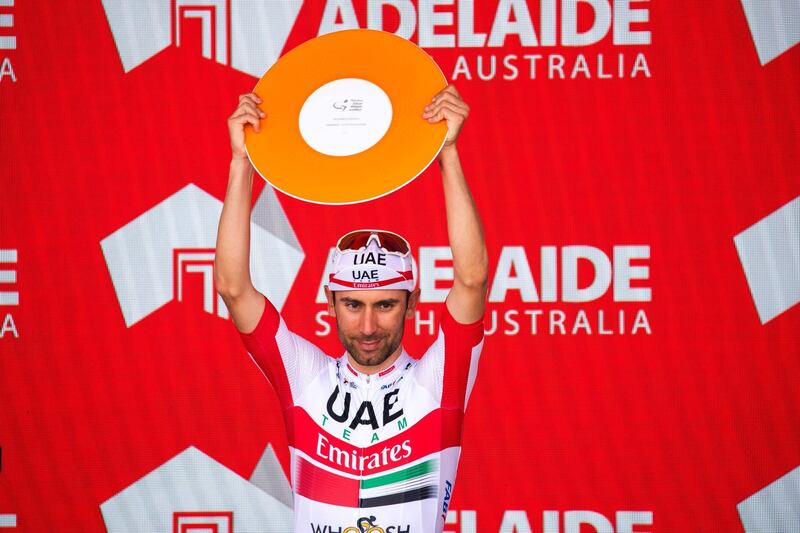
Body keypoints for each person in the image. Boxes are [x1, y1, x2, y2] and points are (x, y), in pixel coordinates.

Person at [215, 84, 488, 533]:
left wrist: (448, 153)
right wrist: (241, 162)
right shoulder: (305, 376)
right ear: (331, 302)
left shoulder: (437, 381)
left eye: (384, 305)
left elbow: (472, 278)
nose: (367, 325)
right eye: (352, 305)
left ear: (412, 303)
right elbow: (232, 286)